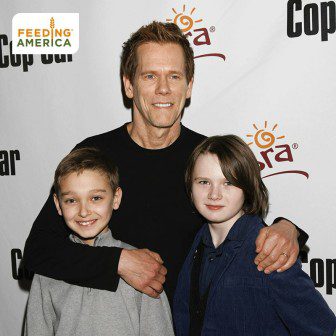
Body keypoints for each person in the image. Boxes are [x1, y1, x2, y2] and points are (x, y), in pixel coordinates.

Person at [24, 22, 308, 304]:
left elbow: (249, 232)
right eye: (149, 76)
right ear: (128, 85)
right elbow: (38, 251)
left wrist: (288, 229)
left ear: (188, 87)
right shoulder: (95, 154)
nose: (163, 89)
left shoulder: (208, 157)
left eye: (174, 76)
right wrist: (118, 262)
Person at [173, 135, 336, 335]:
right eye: (204, 182)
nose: (214, 194)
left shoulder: (269, 250)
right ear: (190, 187)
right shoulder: (196, 241)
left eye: (228, 183)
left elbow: (324, 328)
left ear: (247, 187)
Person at [25, 148, 174, 336]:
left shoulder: (143, 267)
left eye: (96, 198)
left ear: (116, 198)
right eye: (71, 200)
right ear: (57, 204)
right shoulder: (47, 270)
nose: (84, 211)